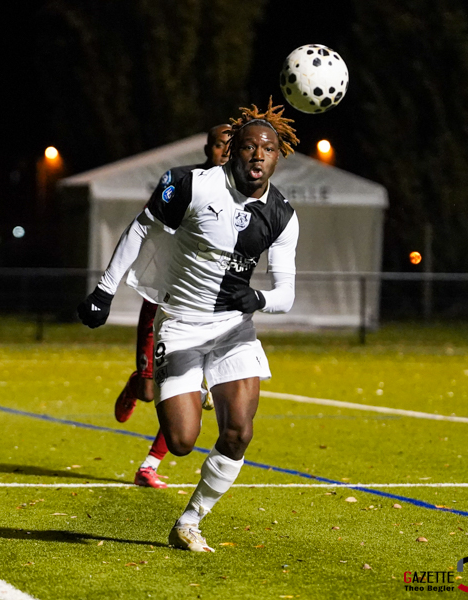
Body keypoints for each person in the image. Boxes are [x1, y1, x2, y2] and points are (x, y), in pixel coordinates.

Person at [78, 98, 300, 552]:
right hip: (180, 322)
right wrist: (104, 290)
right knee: (181, 441)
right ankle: (152, 390)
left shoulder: (282, 215)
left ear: (280, 156)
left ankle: (190, 521)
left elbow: (285, 292)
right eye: (250, 146)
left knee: (239, 431)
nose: (259, 155)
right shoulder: (190, 185)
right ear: (232, 150)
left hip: (234, 330)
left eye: (269, 149)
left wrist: (256, 299)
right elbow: (140, 228)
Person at [114, 124, 232, 489]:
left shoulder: (243, 194)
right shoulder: (184, 183)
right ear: (207, 148)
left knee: (190, 397)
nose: (225, 152)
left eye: (232, 146)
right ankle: (138, 384)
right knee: (151, 393)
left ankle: (148, 466)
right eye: (218, 145)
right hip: (163, 304)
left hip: (205, 313)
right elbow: (146, 227)